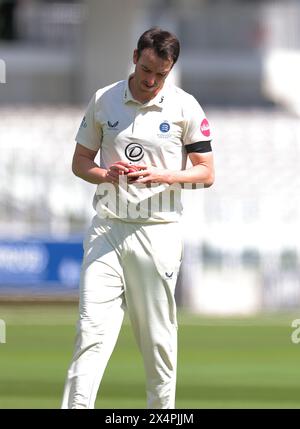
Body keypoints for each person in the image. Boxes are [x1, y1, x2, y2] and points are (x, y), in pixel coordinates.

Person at [61, 27, 214, 409]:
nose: (150, 81)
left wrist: (165, 175)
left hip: (158, 231)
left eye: (160, 74)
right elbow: (81, 163)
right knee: (90, 333)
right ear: (135, 57)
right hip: (108, 228)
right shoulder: (104, 99)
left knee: (157, 341)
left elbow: (206, 173)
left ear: (170, 69)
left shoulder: (185, 106)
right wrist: (104, 174)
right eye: (146, 69)